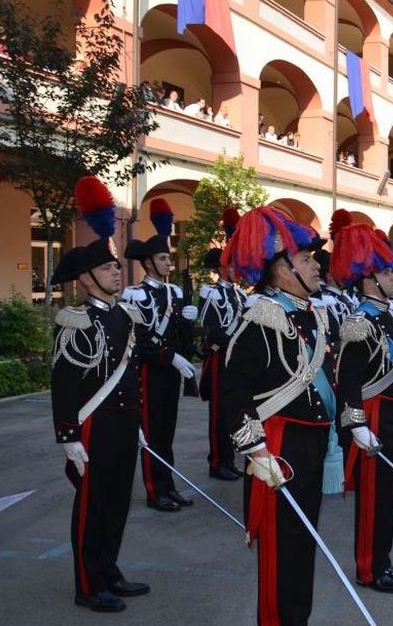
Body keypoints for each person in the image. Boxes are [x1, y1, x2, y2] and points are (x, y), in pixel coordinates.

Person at [219, 206, 336, 624]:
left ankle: (295, 618)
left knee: (302, 541)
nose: (316, 265)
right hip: (278, 446)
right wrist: (255, 448)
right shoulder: (261, 317)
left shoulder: (310, 314)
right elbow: (233, 389)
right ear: (282, 270)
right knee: (279, 544)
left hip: (311, 443)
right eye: (306, 260)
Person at [50, 176, 150, 613]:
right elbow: (66, 382)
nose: (117, 270)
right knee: (92, 506)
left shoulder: (125, 316)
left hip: (124, 423)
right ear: (87, 280)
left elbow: (132, 374)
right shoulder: (74, 320)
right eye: (108, 267)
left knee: (116, 502)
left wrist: (139, 422)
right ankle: (88, 585)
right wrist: (68, 435)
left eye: (115, 266)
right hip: (92, 426)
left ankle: (109, 570)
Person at [333, 222, 393, 594]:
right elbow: (347, 380)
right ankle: (368, 568)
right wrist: (356, 424)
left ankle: (382, 559)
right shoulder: (359, 321)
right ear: (369, 280)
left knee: (388, 492)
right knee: (371, 497)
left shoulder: (389, 314)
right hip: (375, 415)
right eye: (386, 272)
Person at [121, 199, 198, 512]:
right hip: (150, 373)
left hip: (170, 373)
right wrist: (171, 358)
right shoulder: (134, 295)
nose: (169, 262)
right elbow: (139, 341)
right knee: (152, 434)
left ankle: (169, 485)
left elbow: (179, 336)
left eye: (169, 257)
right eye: (163, 258)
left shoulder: (175, 292)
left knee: (167, 433)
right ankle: (155, 491)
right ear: (149, 262)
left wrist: (189, 325)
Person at [198, 209, 246, 481]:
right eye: (229, 265)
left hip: (235, 358)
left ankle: (228, 458)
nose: (234, 270)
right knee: (218, 413)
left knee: (232, 410)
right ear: (219, 268)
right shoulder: (210, 293)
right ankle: (217, 461)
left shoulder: (239, 295)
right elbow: (211, 329)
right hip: (219, 357)